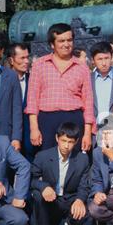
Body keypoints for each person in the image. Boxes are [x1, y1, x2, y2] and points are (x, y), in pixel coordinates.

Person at [25, 23, 95, 152]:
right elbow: (32, 100)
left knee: (74, 164)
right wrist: (34, 128)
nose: (66, 44)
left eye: (69, 40)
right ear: (52, 44)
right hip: (47, 121)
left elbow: (88, 102)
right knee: (47, 164)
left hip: (74, 119)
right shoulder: (40, 65)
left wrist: (87, 133)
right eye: (61, 41)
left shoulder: (82, 67)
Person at [31, 122, 91, 225]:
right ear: (56, 138)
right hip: (50, 200)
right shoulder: (43, 156)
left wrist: (80, 200)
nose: (66, 146)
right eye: (63, 141)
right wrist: (44, 187)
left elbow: (84, 185)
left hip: (70, 199)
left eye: (70, 142)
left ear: (76, 141)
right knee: (37, 194)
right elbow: (31, 179)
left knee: (88, 205)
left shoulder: (82, 159)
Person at [6, 43, 37, 163]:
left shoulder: (33, 79)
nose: (26, 61)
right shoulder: (3, 81)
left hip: (30, 138)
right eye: (22, 58)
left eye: (27, 57)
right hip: (10, 136)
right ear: (11, 60)